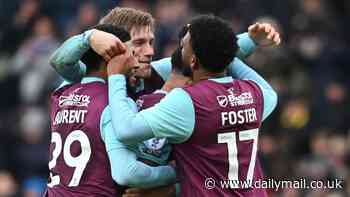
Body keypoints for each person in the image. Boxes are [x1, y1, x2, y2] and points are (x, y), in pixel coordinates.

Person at [106, 15, 278, 196]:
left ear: (193, 61)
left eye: (182, 47)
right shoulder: (255, 94)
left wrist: (115, 75)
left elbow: (126, 130)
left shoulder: (187, 101)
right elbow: (270, 93)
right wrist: (232, 46)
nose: (178, 51)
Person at [45, 24, 176, 197]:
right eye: (131, 51)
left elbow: (61, 62)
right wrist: (176, 172)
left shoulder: (61, 95)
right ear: (113, 57)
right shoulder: (115, 104)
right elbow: (127, 172)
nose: (135, 57)